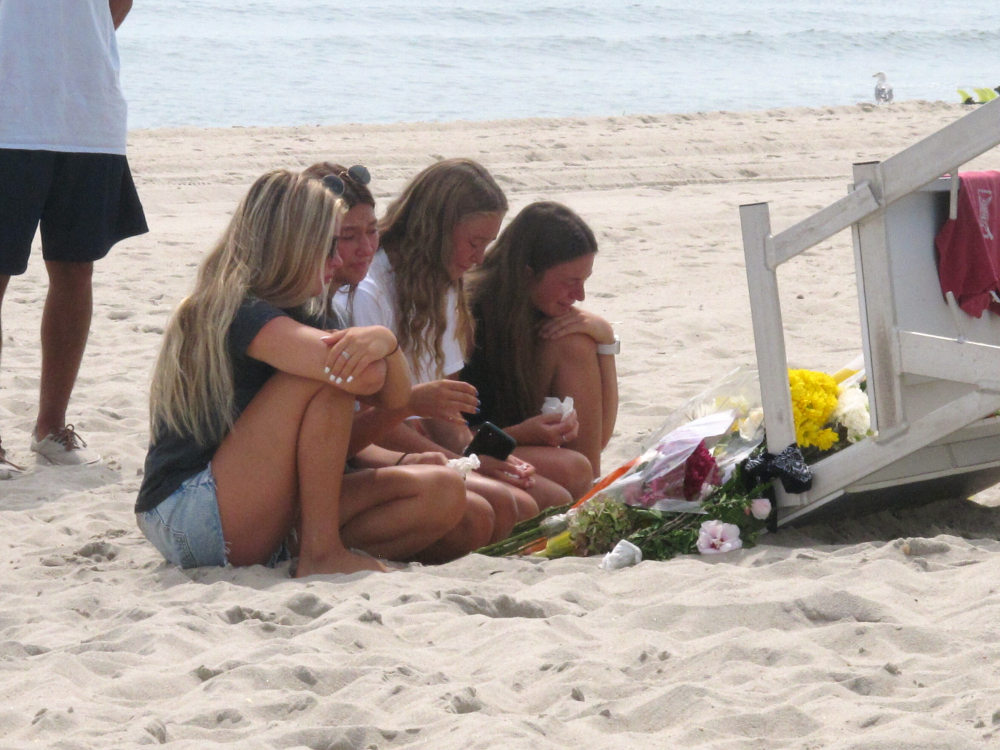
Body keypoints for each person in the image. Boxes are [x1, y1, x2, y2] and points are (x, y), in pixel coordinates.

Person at [135, 170, 465, 576]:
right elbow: (364, 380)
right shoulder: (237, 310)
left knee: (443, 491)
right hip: (189, 509)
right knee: (326, 377)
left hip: (252, 509)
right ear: (292, 246)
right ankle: (320, 551)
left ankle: (310, 547)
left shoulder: (307, 313)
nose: (339, 260)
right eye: (328, 246)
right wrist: (377, 339)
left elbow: (394, 399)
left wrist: (389, 346)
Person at [337, 159, 576, 554]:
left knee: (556, 491)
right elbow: (376, 418)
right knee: (516, 505)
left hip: (419, 440)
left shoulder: (442, 285)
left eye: (487, 244)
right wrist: (465, 462)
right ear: (436, 230)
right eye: (474, 242)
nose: (480, 258)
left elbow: (447, 411)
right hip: (381, 445)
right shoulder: (370, 291)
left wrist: (475, 453)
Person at [0, 0, 148, 478]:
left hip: (86, 111)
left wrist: (80, 42)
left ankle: (52, 428)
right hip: (8, 112)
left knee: (76, 269)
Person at [463, 201, 618, 479]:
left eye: (584, 280)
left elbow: (599, 440)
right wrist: (520, 434)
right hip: (468, 451)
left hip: (514, 443)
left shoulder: (542, 317)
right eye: (569, 281)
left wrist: (606, 341)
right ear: (527, 273)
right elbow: (449, 437)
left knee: (576, 342)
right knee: (575, 470)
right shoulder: (469, 316)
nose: (580, 295)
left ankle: (586, 500)